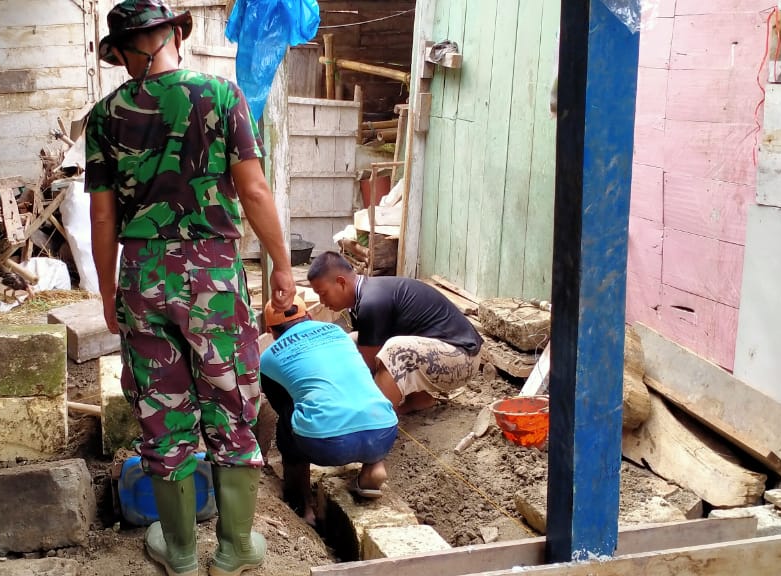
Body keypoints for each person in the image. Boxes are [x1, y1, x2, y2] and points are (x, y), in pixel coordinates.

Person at [85, 1, 296, 575]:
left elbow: (103, 220)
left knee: (162, 412)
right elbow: (252, 191)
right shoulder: (222, 96)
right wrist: (282, 263)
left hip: (143, 277)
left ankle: (178, 552)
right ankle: (234, 551)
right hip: (214, 276)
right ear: (175, 35)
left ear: (129, 51)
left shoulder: (103, 117)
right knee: (230, 406)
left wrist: (108, 292)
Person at [259, 295, 398, 524]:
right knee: (359, 391)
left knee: (289, 414)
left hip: (325, 444)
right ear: (310, 316)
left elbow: (278, 403)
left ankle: (303, 507)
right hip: (383, 431)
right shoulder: (340, 335)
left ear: (270, 331)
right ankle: (374, 466)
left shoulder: (269, 357)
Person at [307, 251, 483, 415]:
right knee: (351, 340)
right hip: (442, 352)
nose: (322, 301)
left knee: (395, 350)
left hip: (464, 358)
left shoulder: (371, 302)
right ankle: (419, 400)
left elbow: (369, 366)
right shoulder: (365, 296)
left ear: (341, 282)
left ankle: (377, 419)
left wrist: (353, 403)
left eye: (323, 293)